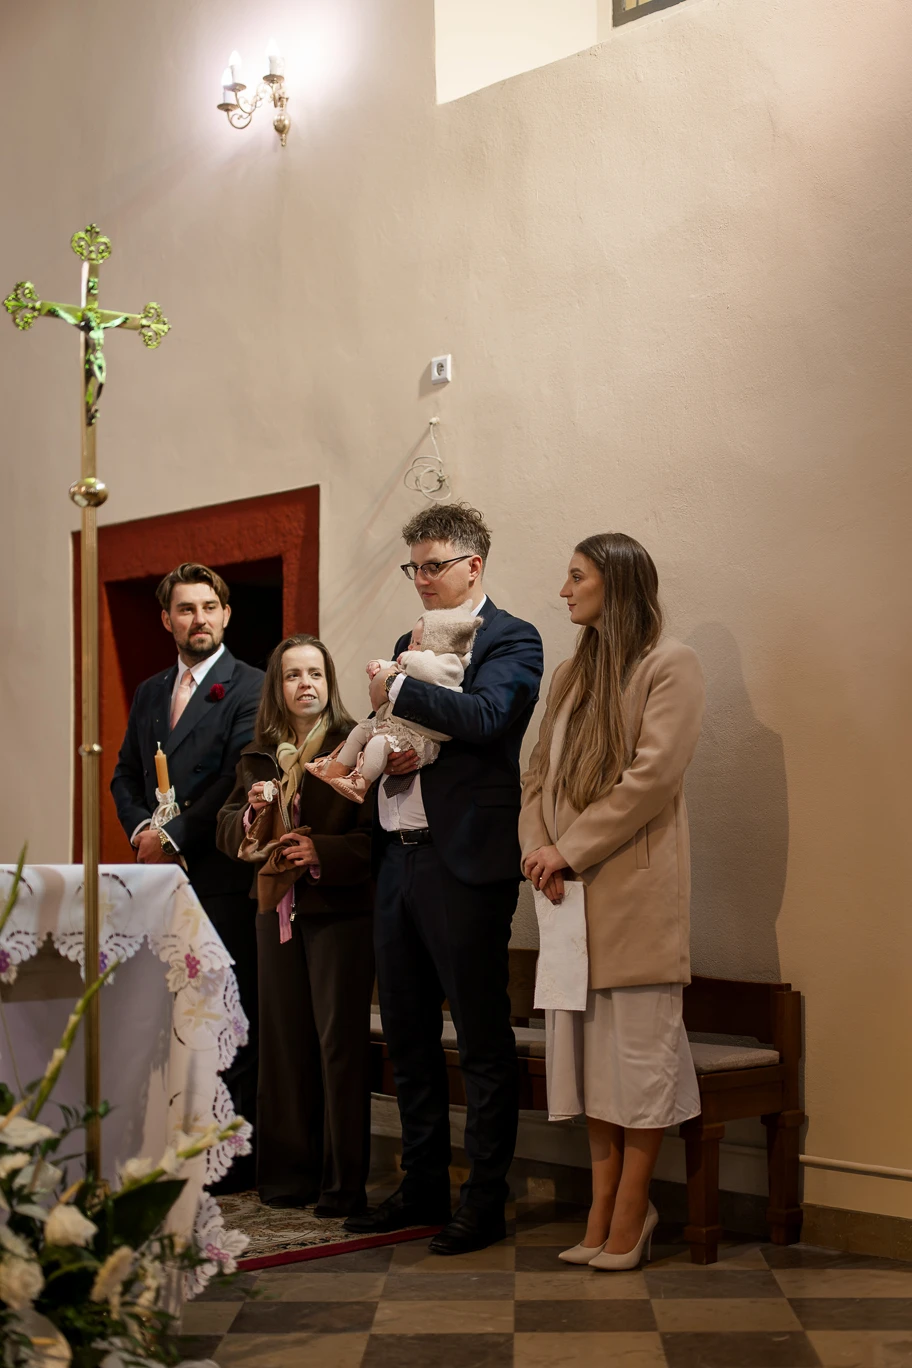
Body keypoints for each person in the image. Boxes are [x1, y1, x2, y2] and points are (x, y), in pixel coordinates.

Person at [344, 503, 544, 1255]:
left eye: (434, 566)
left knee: (481, 1039)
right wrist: (392, 745)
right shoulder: (410, 642)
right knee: (407, 1033)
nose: (422, 579)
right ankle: (422, 1185)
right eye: (415, 567)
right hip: (397, 853)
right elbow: (416, 729)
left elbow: (487, 718)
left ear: (473, 566)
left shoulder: (512, 638)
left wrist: (395, 692)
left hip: (463, 860)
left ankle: (484, 1199)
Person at [519, 532, 704, 1270]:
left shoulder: (669, 665)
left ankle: (632, 1209)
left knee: (638, 1060)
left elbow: (651, 778)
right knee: (589, 1062)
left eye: (577, 577)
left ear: (616, 584)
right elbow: (537, 773)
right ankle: (599, 1209)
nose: (564, 591)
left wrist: (569, 848)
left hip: (633, 896)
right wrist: (539, 851)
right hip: (566, 894)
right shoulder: (570, 675)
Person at [110, 563, 264, 1191]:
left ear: (225, 614)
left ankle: (232, 1159)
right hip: (161, 881)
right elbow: (125, 774)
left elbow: (234, 777)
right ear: (166, 619)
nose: (198, 619)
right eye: (185, 609)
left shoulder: (251, 685)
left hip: (220, 875)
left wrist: (174, 837)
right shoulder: (151, 691)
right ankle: (177, 1141)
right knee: (170, 1013)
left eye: (208, 607)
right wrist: (142, 834)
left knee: (226, 1015)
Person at [216, 634, 375, 1215]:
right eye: (292, 675)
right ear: (277, 688)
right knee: (282, 1043)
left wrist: (321, 851)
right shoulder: (258, 755)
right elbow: (225, 826)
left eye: (315, 673)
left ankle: (341, 1185)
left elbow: (377, 838)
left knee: (337, 1046)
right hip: (275, 907)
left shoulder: (356, 743)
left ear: (329, 682)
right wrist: (253, 814)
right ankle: (287, 1177)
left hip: (337, 911)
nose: (305, 684)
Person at [307, 604, 480, 802]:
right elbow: (395, 667)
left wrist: (409, 658)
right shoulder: (414, 660)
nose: (410, 646)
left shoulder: (449, 664)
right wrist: (380, 666)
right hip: (396, 725)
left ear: (437, 646)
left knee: (377, 744)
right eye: (411, 641)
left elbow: (427, 670)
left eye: (417, 642)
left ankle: (361, 782)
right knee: (359, 731)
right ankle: (338, 767)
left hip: (420, 735)